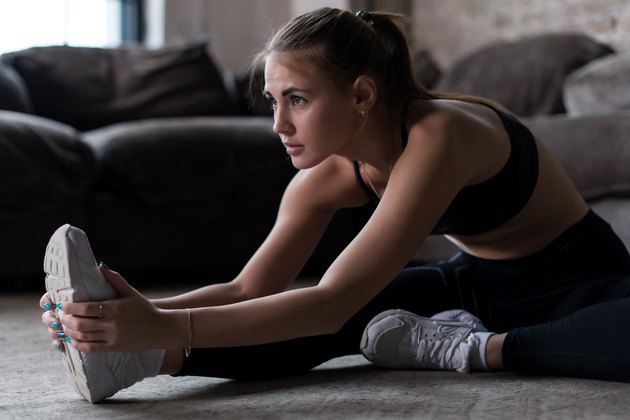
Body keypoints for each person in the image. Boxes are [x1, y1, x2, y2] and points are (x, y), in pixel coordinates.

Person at [40, 7, 630, 403]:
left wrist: (163, 319)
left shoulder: (442, 134)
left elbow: (330, 301)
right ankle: (139, 358)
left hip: (581, 281)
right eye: (272, 100)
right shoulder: (323, 178)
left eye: (297, 99)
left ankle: (477, 349)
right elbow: (251, 291)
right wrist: (133, 315)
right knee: (325, 319)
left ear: (363, 95)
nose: (278, 123)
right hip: (472, 287)